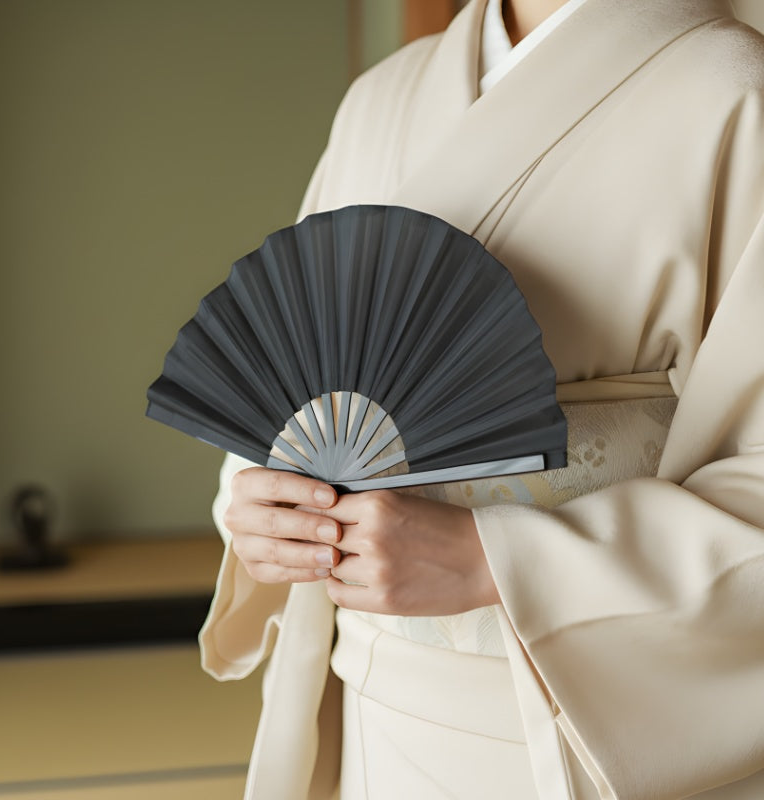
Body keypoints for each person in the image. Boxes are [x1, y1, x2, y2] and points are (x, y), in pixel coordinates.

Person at [199, 0, 764, 797]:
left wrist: (497, 558)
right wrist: (265, 510)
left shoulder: (737, 90)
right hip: (373, 701)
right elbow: (297, 380)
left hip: (573, 727)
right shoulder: (381, 98)